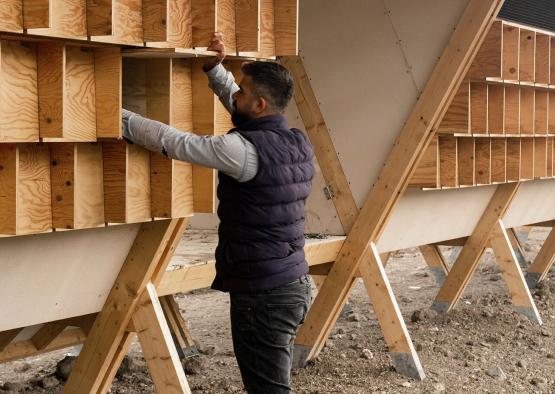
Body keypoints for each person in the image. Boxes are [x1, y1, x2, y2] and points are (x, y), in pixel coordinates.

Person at [122, 32, 314, 393]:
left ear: (259, 104)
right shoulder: (295, 142)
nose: (235, 95)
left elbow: (174, 142)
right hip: (292, 283)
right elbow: (244, 109)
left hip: (264, 295)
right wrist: (216, 69)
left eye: (241, 91)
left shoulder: (241, 151)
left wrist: (116, 116)